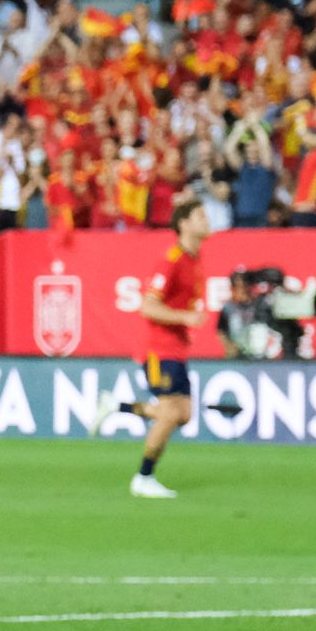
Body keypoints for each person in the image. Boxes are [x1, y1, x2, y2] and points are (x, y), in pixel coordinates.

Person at [88, 198, 209, 498]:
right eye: (200, 216)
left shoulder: (195, 259)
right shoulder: (172, 259)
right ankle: (143, 477)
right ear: (183, 223)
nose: (207, 220)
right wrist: (185, 317)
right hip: (159, 349)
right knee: (170, 413)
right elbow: (147, 307)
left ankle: (117, 406)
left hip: (176, 349)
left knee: (183, 414)